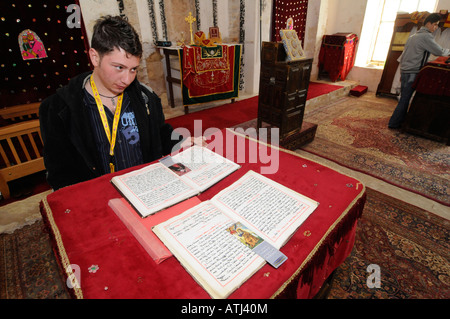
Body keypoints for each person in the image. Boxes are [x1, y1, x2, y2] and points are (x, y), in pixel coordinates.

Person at [40, 15, 189, 190]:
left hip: (147, 187)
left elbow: (159, 135)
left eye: (133, 69)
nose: (127, 79)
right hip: (99, 197)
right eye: (119, 67)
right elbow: (61, 174)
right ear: (95, 58)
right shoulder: (58, 109)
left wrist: (181, 142)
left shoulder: (146, 98)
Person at [388, 13, 450, 129]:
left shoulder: (414, 35)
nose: (436, 28)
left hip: (406, 70)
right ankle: (394, 123)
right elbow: (439, 51)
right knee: (405, 99)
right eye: (435, 25)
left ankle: (400, 120)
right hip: (412, 72)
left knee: (404, 98)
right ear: (428, 23)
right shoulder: (425, 36)